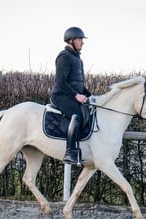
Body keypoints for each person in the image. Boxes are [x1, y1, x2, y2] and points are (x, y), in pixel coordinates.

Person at [50, 27, 92, 164]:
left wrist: (88, 95)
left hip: (71, 95)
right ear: (71, 40)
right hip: (61, 96)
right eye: (80, 39)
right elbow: (61, 82)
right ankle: (70, 152)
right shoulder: (64, 56)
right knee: (77, 115)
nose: (82, 43)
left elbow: (77, 83)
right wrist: (76, 96)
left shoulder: (77, 59)